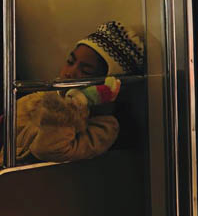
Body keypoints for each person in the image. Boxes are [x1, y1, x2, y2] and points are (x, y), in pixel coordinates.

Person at [3, 20, 144, 164]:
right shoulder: (43, 98)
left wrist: (75, 104)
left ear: (107, 85)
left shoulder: (105, 127)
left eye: (86, 71)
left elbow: (46, 149)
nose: (70, 73)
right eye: (70, 62)